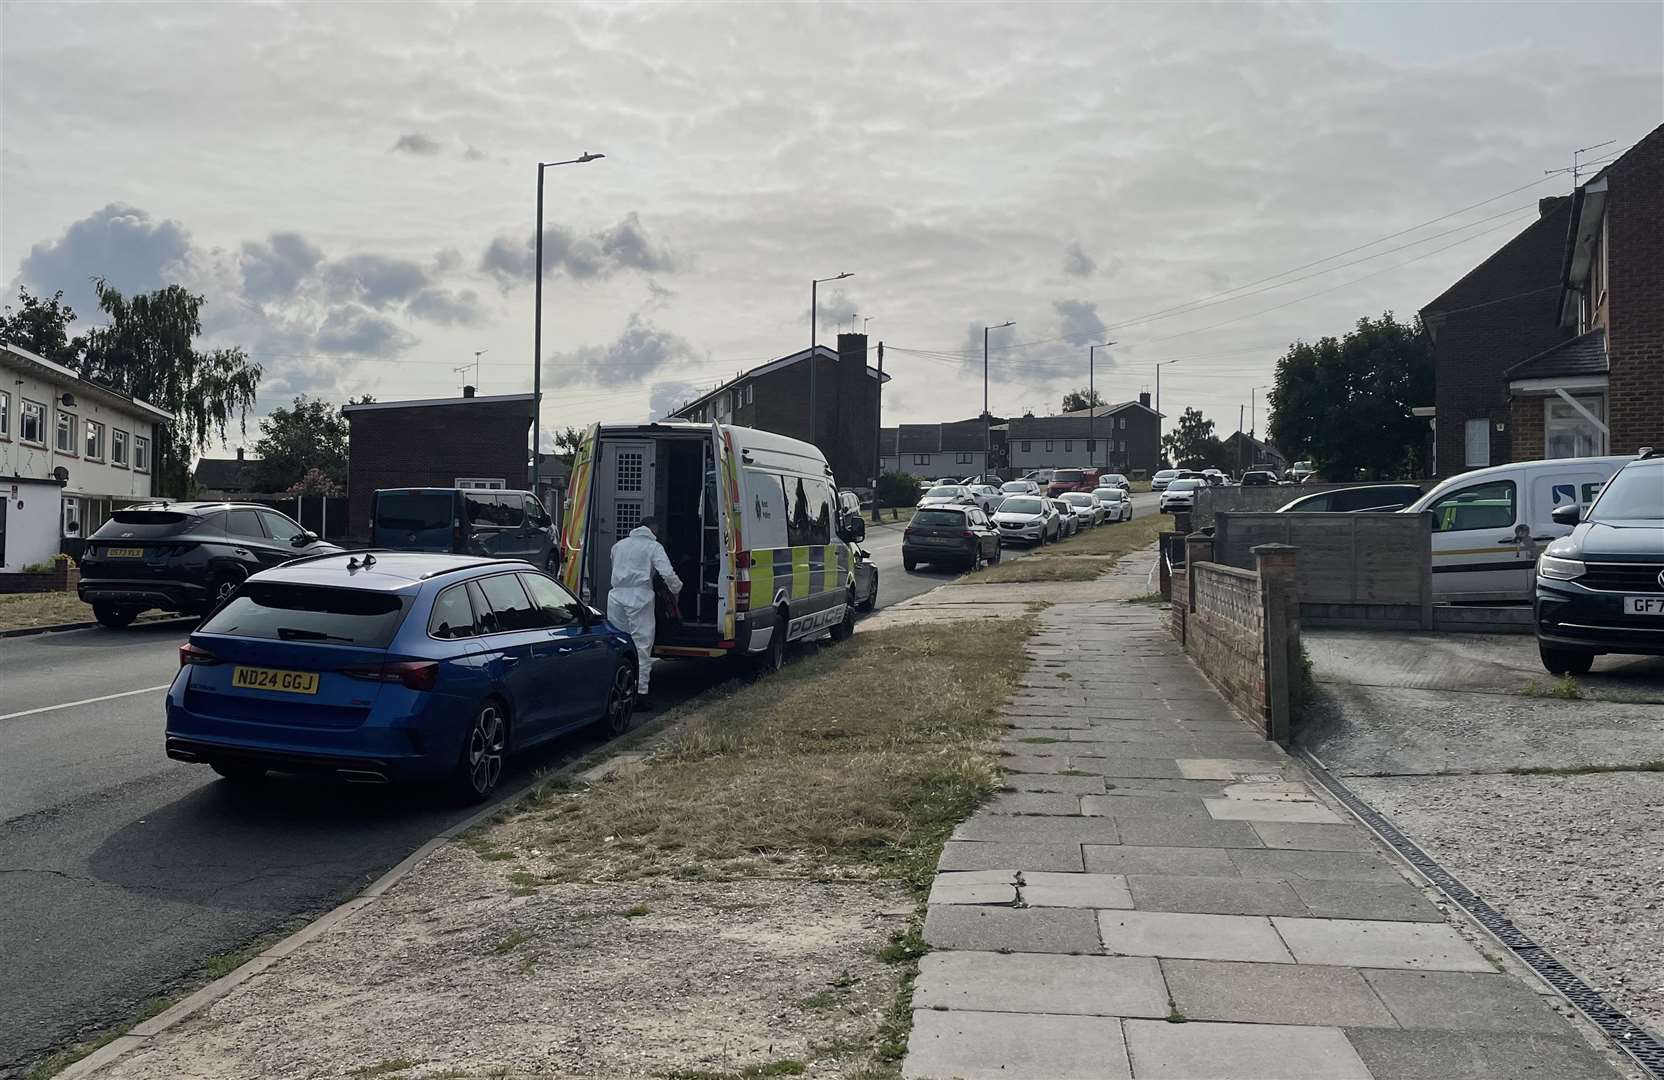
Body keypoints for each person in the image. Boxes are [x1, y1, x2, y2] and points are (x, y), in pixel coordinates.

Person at [607, 517, 682, 709]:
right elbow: (667, 573)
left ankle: (616, 688)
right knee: (641, 646)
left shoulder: (619, 546)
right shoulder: (653, 547)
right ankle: (640, 693)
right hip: (640, 598)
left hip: (615, 598)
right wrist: (677, 590)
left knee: (619, 645)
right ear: (653, 530)